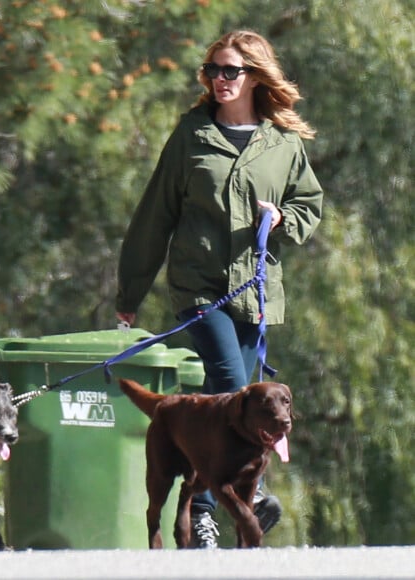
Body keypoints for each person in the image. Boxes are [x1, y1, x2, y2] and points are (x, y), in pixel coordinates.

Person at [115, 30, 323, 548]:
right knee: (230, 381)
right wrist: (129, 294)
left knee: (247, 406)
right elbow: (154, 214)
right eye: (212, 71)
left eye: (230, 71)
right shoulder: (191, 135)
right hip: (200, 286)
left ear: (255, 75)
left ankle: (228, 498)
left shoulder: (283, 143)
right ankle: (212, 509)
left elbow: (309, 205)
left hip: (255, 289)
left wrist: (281, 219)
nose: (219, 81)